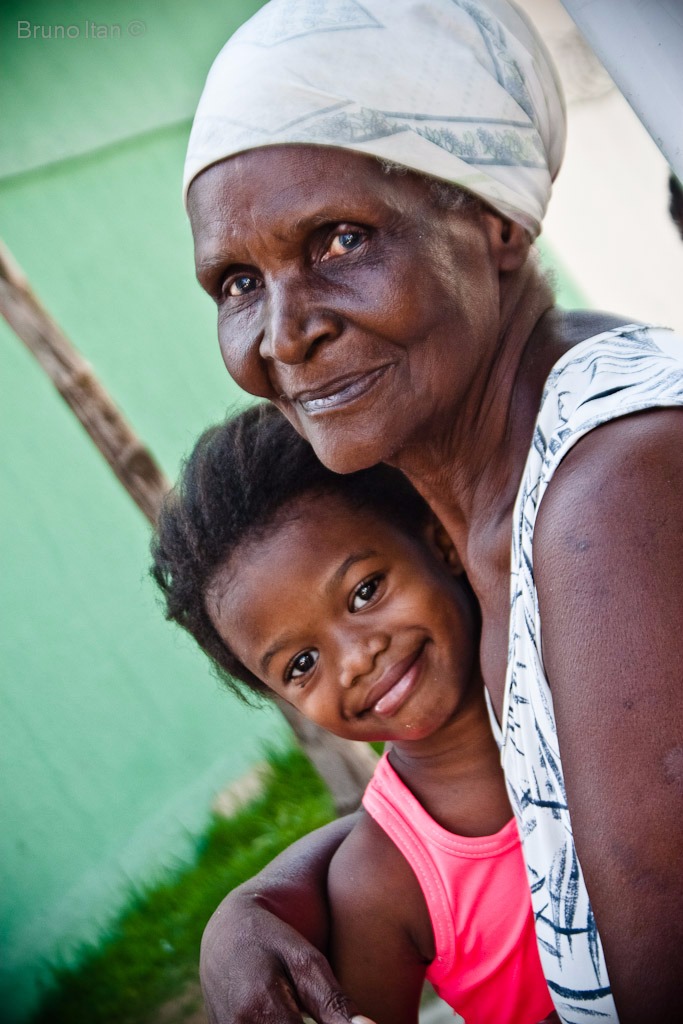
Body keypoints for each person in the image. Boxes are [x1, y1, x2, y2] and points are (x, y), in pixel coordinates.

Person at [181, 1, 683, 1021]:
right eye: (237, 280)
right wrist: (260, 897)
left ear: (492, 220)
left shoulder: (606, 497)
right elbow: (529, 788)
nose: (283, 334)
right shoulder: (503, 495)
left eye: (337, 240)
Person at [151, 402, 557, 1024]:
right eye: (301, 665)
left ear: (439, 541)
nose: (357, 660)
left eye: (365, 592)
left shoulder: (574, 662)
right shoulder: (379, 884)